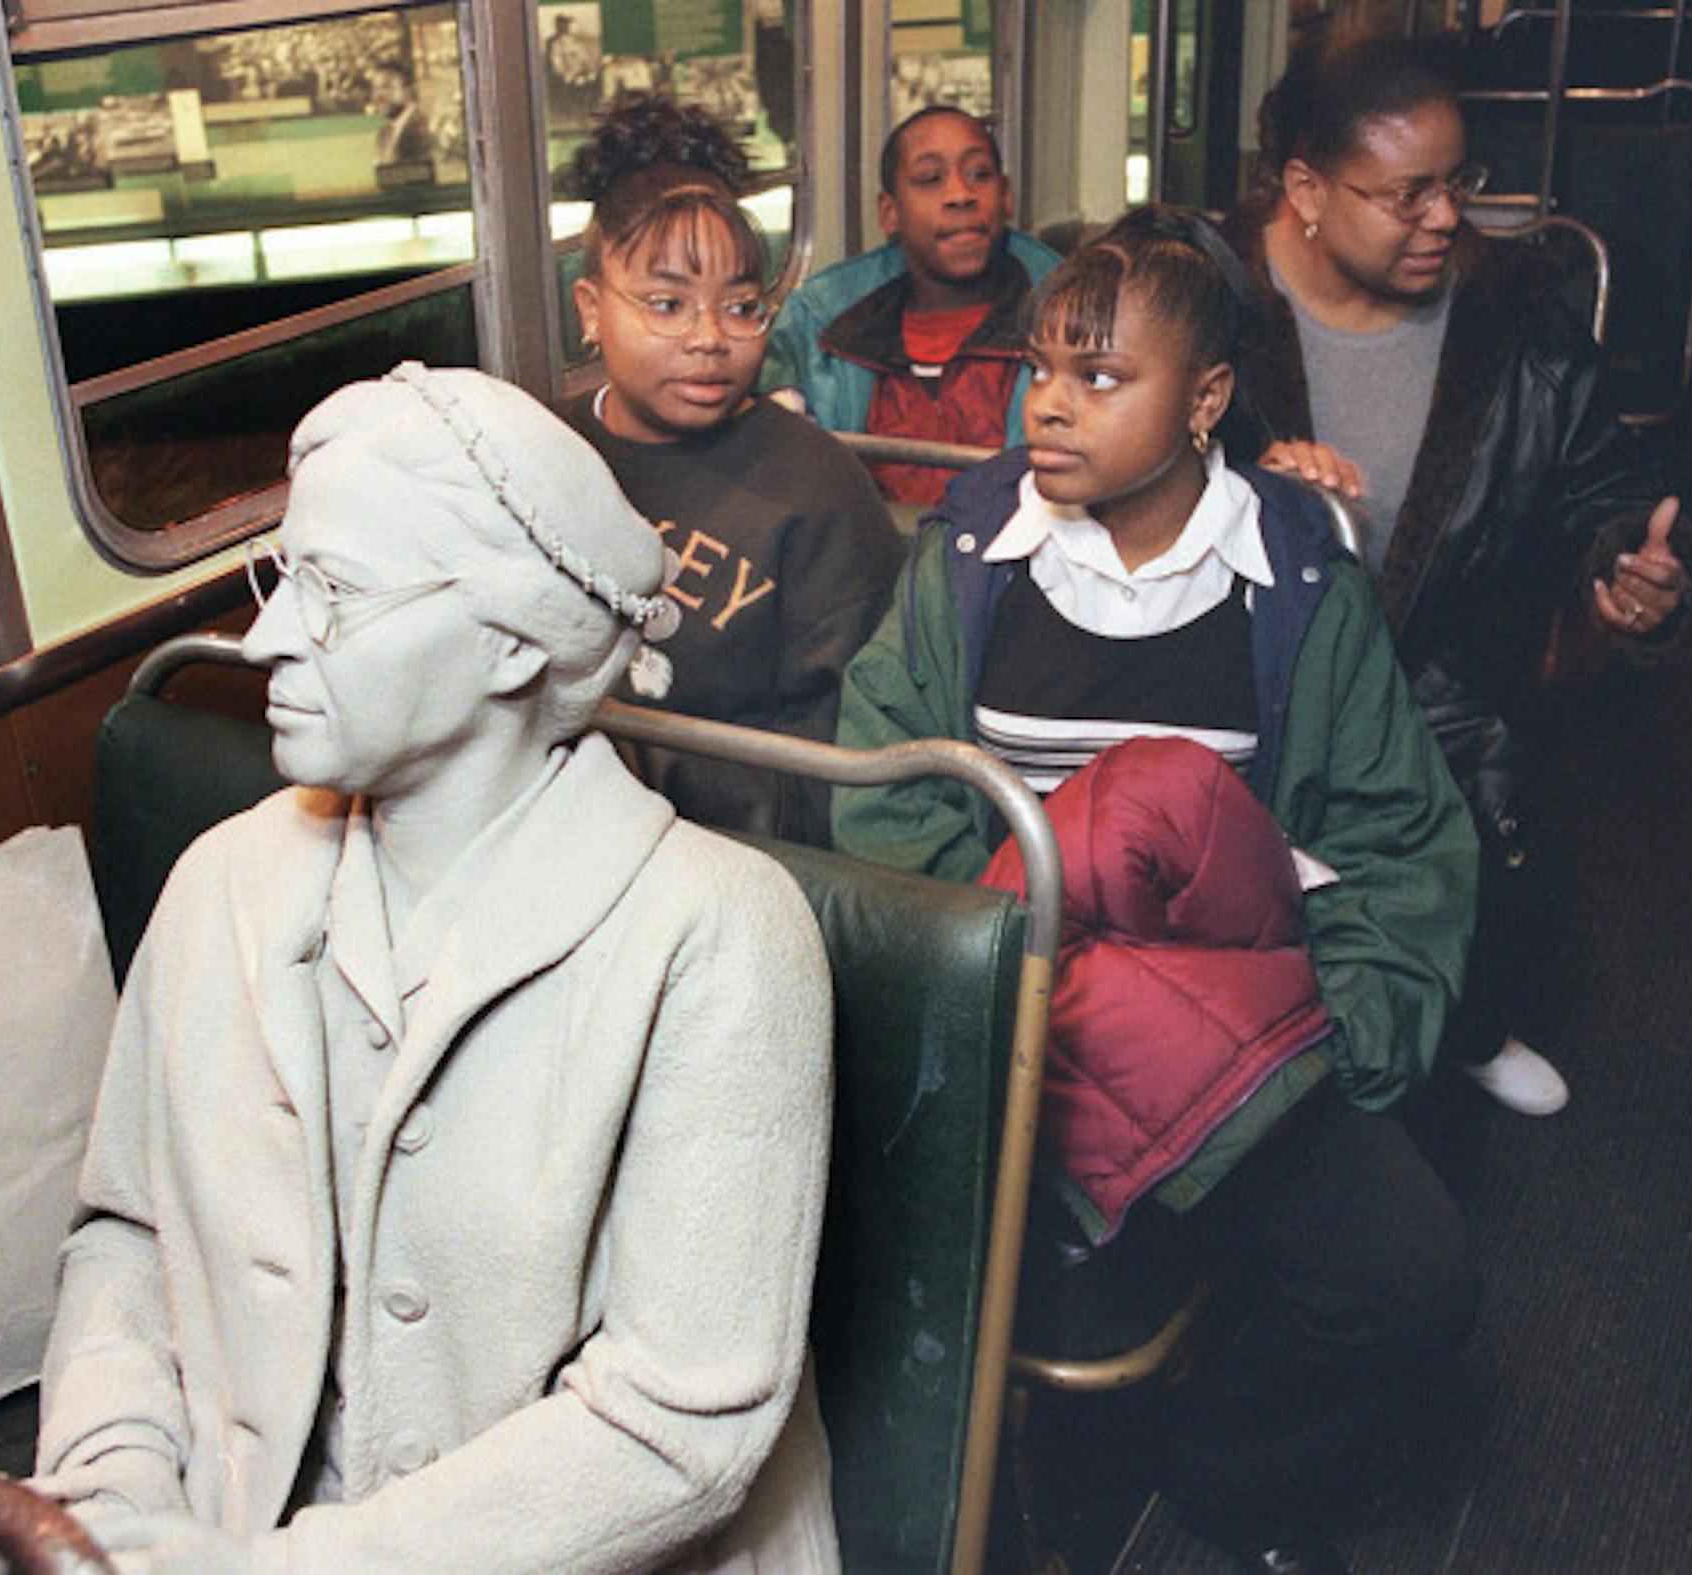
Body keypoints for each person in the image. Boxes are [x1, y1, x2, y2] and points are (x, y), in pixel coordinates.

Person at [0, 366, 841, 1573]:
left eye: (335, 590)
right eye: (284, 577)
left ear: (506, 643)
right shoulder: (224, 881)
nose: (266, 635)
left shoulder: (723, 936)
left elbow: (679, 1431)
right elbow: (126, 1232)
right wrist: (113, 1487)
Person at [835, 209, 1479, 1572]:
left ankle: (1223, 1479)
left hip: (1236, 1015)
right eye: (1040, 370)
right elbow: (888, 799)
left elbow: (1400, 838)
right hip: (1018, 1003)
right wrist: (1000, 993)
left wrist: (1347, 1040)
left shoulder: (1293, 581)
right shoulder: (967, 565)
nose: (1049, 406)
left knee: (1411, 1283)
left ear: (1206, 402)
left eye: (1099, 379)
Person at [1220, 33, 1692, 1116]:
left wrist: (1630, 570)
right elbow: (1130, 455)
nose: (1446, 218)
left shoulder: (1518, 329)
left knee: (1467, 880)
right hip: (1238, 682)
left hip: (1437, 683)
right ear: (1305, 187)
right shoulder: (1206, 296)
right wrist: (1244, 485)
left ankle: (1467, 1016)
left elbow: (1604, 500)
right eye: (1406, 194)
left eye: (1458, 183)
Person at [559, 93, 904, 845]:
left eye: (742, 306)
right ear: (591, 308)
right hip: (556, 827)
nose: (710, 338)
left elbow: (843, 768)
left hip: (736, 853)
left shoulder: (819, 489)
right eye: (666, 303)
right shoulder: (543, 458)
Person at [761, 106, 1063, 506]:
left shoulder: (1070, 316)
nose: (960, 195)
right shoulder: (818, 319)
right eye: (929, 179)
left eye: (980, 175)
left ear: (1006, 196)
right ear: (890, 213)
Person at [367, 60, 430, 169]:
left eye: (386, 87)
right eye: (375, 88)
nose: (378, 95)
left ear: (408, 90)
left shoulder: (426, 129)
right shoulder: (383, 134)